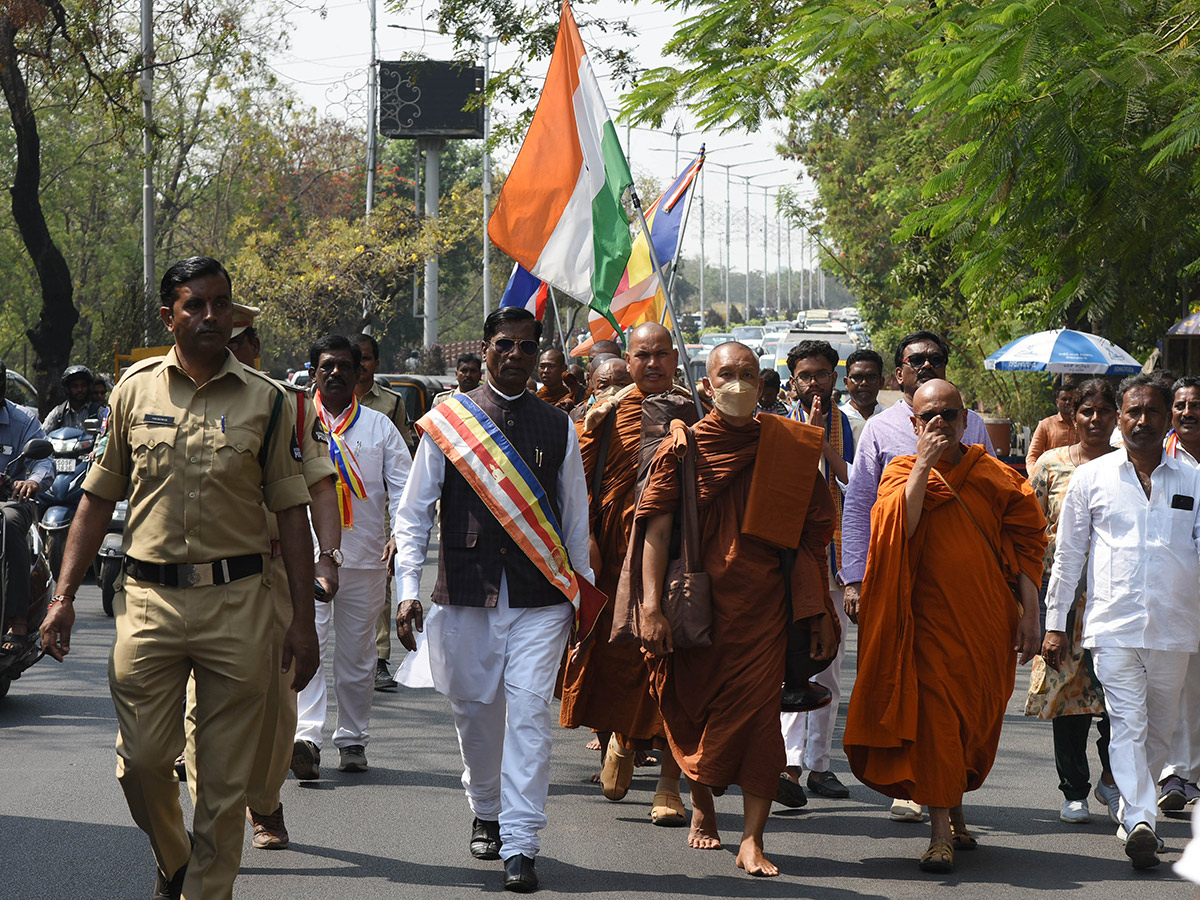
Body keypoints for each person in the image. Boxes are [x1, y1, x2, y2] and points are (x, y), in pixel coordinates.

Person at [39, 255, 317, 900]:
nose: (211, 315)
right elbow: (96, 499)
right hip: (148, 604)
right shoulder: (132, 391)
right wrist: (60, 598)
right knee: (139, 766)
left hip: (239, 605)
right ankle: (176, 856)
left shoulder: (269, 402)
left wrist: (301, 621)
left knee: (221, 784)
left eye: (221, 303)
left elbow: (291, 512)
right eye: (196, 304)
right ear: (170, 315)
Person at [394, 307, 593, 893]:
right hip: (464, 593)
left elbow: (575, 519)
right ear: (485, 349)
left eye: (526, 347)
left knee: (530, 716)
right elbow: (412, 517)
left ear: (537, 355)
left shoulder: (559, 426)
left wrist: (579, 592)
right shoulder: (448, 421)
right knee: (475, 714)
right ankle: (485, 806)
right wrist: (407, 590)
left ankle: (522, 843)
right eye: (503, 344)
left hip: (541, 597)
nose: (514, 354)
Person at [629, 341, 840, 877]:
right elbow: (654, 528)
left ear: (764, 383)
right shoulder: (684, 449)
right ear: (706, 385)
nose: (739, 383)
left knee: (761, 723)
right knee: (696, 711)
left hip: (764, 607)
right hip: (695, 607)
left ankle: (752, 838)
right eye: (728, 374)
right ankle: (702, 808)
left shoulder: (787, 446)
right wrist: (650, 605)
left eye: (749, 373)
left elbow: (814, 535)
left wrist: (815, 610)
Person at [845, 378, 1046, 874]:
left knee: (972, 721)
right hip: (925, 622)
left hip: (984, 622)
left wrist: (1032, 616)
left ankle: (953, 809)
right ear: (913, 423)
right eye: (928, 417)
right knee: (936, 719)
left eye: (949, 416)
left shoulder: (993, 473)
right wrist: (925, 465)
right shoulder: (902, 471)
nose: (940, 424)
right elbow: (897, 526)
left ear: (966, 420)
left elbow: (1027, 545)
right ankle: (939, 833)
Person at [177, 302, 342, 851]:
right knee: (206, 704)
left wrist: (327, 557)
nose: (224, 347)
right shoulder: (166, 393)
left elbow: (320, 484)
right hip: (200, 576)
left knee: (276, 698)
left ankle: (264, 801)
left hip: (273, 571)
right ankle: (211, 820)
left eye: (237, 339)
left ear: (251, 350)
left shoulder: (286, 405)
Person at [1043, 373, 1200, 870]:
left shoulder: (1193, 478)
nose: (1142, 421)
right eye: (1133, 411)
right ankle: (1141, 822)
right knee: (1128, 724)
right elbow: (1069, 557)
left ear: (1167, 417)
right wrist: (1054, 621)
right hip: (1112, 624)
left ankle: (1136, 807)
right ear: (1120, 417)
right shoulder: (1093, 479)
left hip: (1177, 626)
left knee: (1159, 726)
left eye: (1153, 411)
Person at [840, 330, 996, 822]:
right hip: (901, 587)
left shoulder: (973, 431)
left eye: (936, 358)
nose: (927, 365)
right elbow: (861, 505)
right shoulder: (883, 431)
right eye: (916, 359)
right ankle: (926, 797)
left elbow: (1001, 509)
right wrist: (854, 577)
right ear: (900, 373)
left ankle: (949, 792)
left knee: (965, 701)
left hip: (968, 597)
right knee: (917, 694)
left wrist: (1020, 596)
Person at [560, 321, 693, 825]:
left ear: (675, 359)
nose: (653, 363)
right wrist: (587, 542)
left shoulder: (694, 409)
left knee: (677, 663)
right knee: (619, 659)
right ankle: (620, 736)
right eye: (643, 355)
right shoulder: (606, 414)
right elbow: (577, 487)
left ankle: (669, 785)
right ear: (629, 361)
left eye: (662, 354)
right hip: (616, 557)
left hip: (680, 556)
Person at [292, 335, 411, 777]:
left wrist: (400, 534)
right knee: (311, 645)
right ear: (314, 373)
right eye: (328, 367)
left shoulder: (380, 427)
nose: (337, 373)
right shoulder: (299, 422)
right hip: (308, 558)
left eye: (346, 366)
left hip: (364, 557)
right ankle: (307, 736)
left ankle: (354, 740)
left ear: (360, 371)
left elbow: (403, 488)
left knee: (359, 657)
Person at [1023, 379, 1119, 825]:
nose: (1095, 419)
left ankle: (1114, 780)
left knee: (1122, 700)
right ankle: (1074, 790)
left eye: (1104, 410)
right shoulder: (1051, 465)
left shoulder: (1129, 465)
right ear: (1072, 416)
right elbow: (1026, 529)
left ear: (1116, 415)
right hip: (1061, 600)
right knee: (1068, 699)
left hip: (1117, 599)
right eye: (1086, 411)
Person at [779, 339, 855, 804]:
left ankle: (820, 765)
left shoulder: (844, 422)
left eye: (822, 375)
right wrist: (806, 436)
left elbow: (850, 480)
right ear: (793, 381)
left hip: (835, 562)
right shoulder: (776, 423)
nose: (814, 384)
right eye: (805, 376)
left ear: (834, 377)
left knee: (828, 666)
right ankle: (786, 763)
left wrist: (824, 441)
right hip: (792, 562)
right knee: (791, 664)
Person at [352, 332, 413, 693]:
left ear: (376, 362)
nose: (360, 367)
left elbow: (401, 467)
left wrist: (398, 527)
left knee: (379, 580)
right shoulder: (323, 403)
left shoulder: (391, 404)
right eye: (353, 359)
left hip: (378, 506)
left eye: (366, 359)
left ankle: (379, 659)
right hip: (334, 506)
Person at [1161, 376, 1200, 810]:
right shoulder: (1159, 457)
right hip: (1173, 589)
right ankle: (1176, 775)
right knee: (1177, 682)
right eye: (1181, 405)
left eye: (1196, 404)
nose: (1188, 412)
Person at [0, 360, 54, 653]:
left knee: (7, 523)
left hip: (10, 502)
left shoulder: (22, 420)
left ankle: (17, 619)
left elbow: (44, 460)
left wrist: (32, 481)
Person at [1027, 381, 1078, 472]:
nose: (1068, 402)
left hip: (1078, 476)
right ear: (1057, 402)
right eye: (1064, 399)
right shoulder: (1046, 424)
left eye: (1071, 399)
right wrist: (1034, 475)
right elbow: (1032, 455)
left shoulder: (1083, 425)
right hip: (1052, 476)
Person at [840, 348, 888, 443]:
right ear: (846, 383)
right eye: (857, 377)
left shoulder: (891, 418)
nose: (864, 383)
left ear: (881, 382)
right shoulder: (836, 420)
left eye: (871, 377)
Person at [41, 364, 100, 433]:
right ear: (67, 389)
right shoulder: (59, 413)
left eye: (83, 385)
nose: (80, 389)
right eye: (75, 386)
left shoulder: (98, 412)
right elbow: (42, 434)